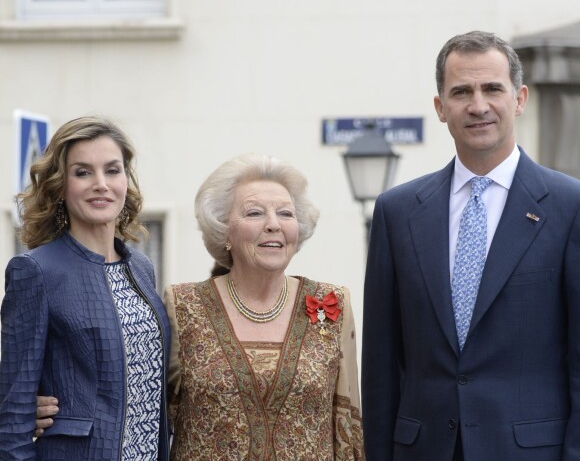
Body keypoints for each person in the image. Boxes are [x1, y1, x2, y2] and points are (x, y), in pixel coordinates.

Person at [361, 30, 580, 461]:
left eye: (492, 89)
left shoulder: (570, 207)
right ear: (441, 108)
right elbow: (382, 367)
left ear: (519, 99)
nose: (478, 105)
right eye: (461, 91)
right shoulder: (397, 212)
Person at [164, 154, 364, 459]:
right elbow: (147, 414)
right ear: (224, 229)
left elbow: (348, 427)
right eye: (254, 213)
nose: (273, 225)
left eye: (285, 213)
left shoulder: (332, 303)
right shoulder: (182, 305)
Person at [0, 116, 171, 460]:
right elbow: (13, 416)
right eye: (82, 172)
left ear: (126, 179)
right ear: (60, 186)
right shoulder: (36, 270)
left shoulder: (141, 266)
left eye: (112, 170)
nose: (100, 184)